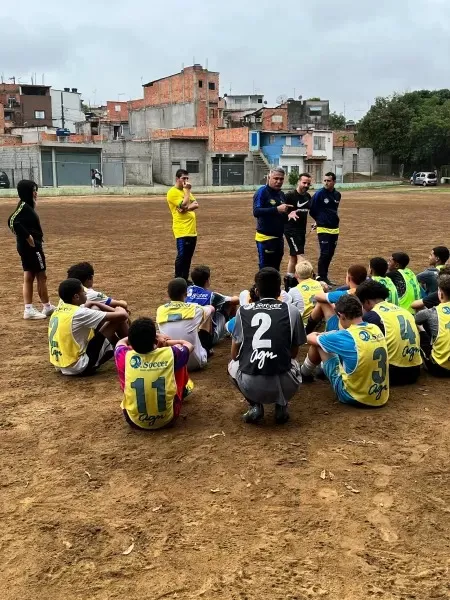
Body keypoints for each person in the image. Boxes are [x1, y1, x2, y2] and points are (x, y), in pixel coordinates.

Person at [228, 267, 306, 424]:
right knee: (294, 363)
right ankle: (282, 405)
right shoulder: (292, 311)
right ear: (279, 291)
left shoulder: (243, 311)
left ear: (256, 291)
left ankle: (255, 405)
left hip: (251, 383)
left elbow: (234, 354)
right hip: (285, 383)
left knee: (232, 365)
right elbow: (294, 352)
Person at [301, 295, 389, 407]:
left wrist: (324, 335)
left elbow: (309, 338)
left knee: (319, 344)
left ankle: (304, 373)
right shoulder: (375, 328)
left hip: (354, 397)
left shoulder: (346, 336)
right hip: (380, 395)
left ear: (341, 316)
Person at [115, 317, 194, 430]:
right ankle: (183, 390)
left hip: (134, 421)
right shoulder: (170, 353)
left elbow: (120, 342)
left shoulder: (124, 355)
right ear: (154, 340)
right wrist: (163, 340)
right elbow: (188, 345)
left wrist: (152, 338)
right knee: (178, 358)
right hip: (168, 419)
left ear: (132, 340)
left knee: (125, 370)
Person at [48, 278, 128, 376]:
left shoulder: (59, 310)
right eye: (83, 292)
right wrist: (119, 309)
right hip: (78, 366)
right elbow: (123, 315)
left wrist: (96, 303)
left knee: (96, 309)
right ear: (76, 297)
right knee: (118, 320)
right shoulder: (80, 313)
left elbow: (91, 305)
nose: (86, 294)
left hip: (62, 363)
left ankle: (120, 348)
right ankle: (134, 352)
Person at [356, 280, 422, 385]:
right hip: (415, 370)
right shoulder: (404, 311)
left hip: (391, 374)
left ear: (367, 302)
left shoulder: (372, 316)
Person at [7, 179, 55, 320]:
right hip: (31, 249)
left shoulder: (27, 206)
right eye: (33, 190)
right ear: (27, 192)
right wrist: (28, 237)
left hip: (29, 248)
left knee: (29, 276)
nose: (36, 193)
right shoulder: (23, 206)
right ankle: (46, 307)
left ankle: (31, 308)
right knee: (41, 276)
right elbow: (12, 221)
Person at [156, 277, 214, 371]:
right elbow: (211, 309)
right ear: (186, 293)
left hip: (170, 362)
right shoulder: (195, 309)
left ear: (168, 294)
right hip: (194, 363)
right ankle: (208, 350)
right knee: (206, 315)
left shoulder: (160, 310)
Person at [305, 264, 368, 334]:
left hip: (345, 329)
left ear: (349, 278)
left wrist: (323, 289)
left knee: (322, 302)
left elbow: (317, 296)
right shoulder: (369, 290)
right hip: (364, 326)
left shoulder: (345, 294)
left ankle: (306, 331)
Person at [186, 265, 239, 345]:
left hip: (189, 333)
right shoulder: (212, 295)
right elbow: (236, 300)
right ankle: (230, 330)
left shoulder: (186, 291)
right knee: (230, 304)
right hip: (207, 336)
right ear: (207, 280)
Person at [253, 167, 293, 271]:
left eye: (281, 179)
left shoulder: (281, 194)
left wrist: (289, 214)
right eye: (276, 178)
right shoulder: (262, 192)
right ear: (269, 177)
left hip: (279, 238)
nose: (279, 181)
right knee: (265, 270)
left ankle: (273, 287)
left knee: (276, 269)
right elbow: (256, 212)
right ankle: (259, 287)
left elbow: (282, 214)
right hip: (265, 238)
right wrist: (276, 209)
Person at [415, 273, 450, 377]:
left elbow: (416, 319)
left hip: (440, 368)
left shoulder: (432, 312)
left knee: (417, 325)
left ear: (441, 294)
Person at [167, 169, 199, 282]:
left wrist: (185, 208)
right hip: (181, 230)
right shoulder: (173, 192)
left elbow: (195, 204)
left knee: (188, 257)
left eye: (187, 178)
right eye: (183, 178)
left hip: (191, 229)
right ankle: (178, 279)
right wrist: (187, 192)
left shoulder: (186, 191)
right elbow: (184, 204)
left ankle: (185, 278)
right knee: (182, 256)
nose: (186, 181)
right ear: (177, 179)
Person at [309, 172, 341, 286]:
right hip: (323, 228)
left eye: (329, 181)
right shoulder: (319, 194)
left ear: (334, 182)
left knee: (330, 253)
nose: (326, 183)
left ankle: (325, 277)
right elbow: (311, 209)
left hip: (334, 228)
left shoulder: (337, 195)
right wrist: (319, 220)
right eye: (325, 180)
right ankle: (320, 277)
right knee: (325, 253)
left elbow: (333, 210)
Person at [284, 173, 312, 284]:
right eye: (304, 182)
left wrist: (316, 222)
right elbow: (281, 211)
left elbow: (311, 210)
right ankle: (305, 282)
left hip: (301, 230)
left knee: (293, 257)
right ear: (299, 182)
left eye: (308, 183)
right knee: (300, 256)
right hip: (290, 230)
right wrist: (288, 214)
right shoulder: (290, 196)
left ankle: (289, 282)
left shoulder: (308, 197)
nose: (306, 185)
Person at [288, 260, 323, 325]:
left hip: (303, 326)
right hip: (320, 323)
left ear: (296, 274)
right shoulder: (319, 284)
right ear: (311, 274)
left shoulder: (294, 290)